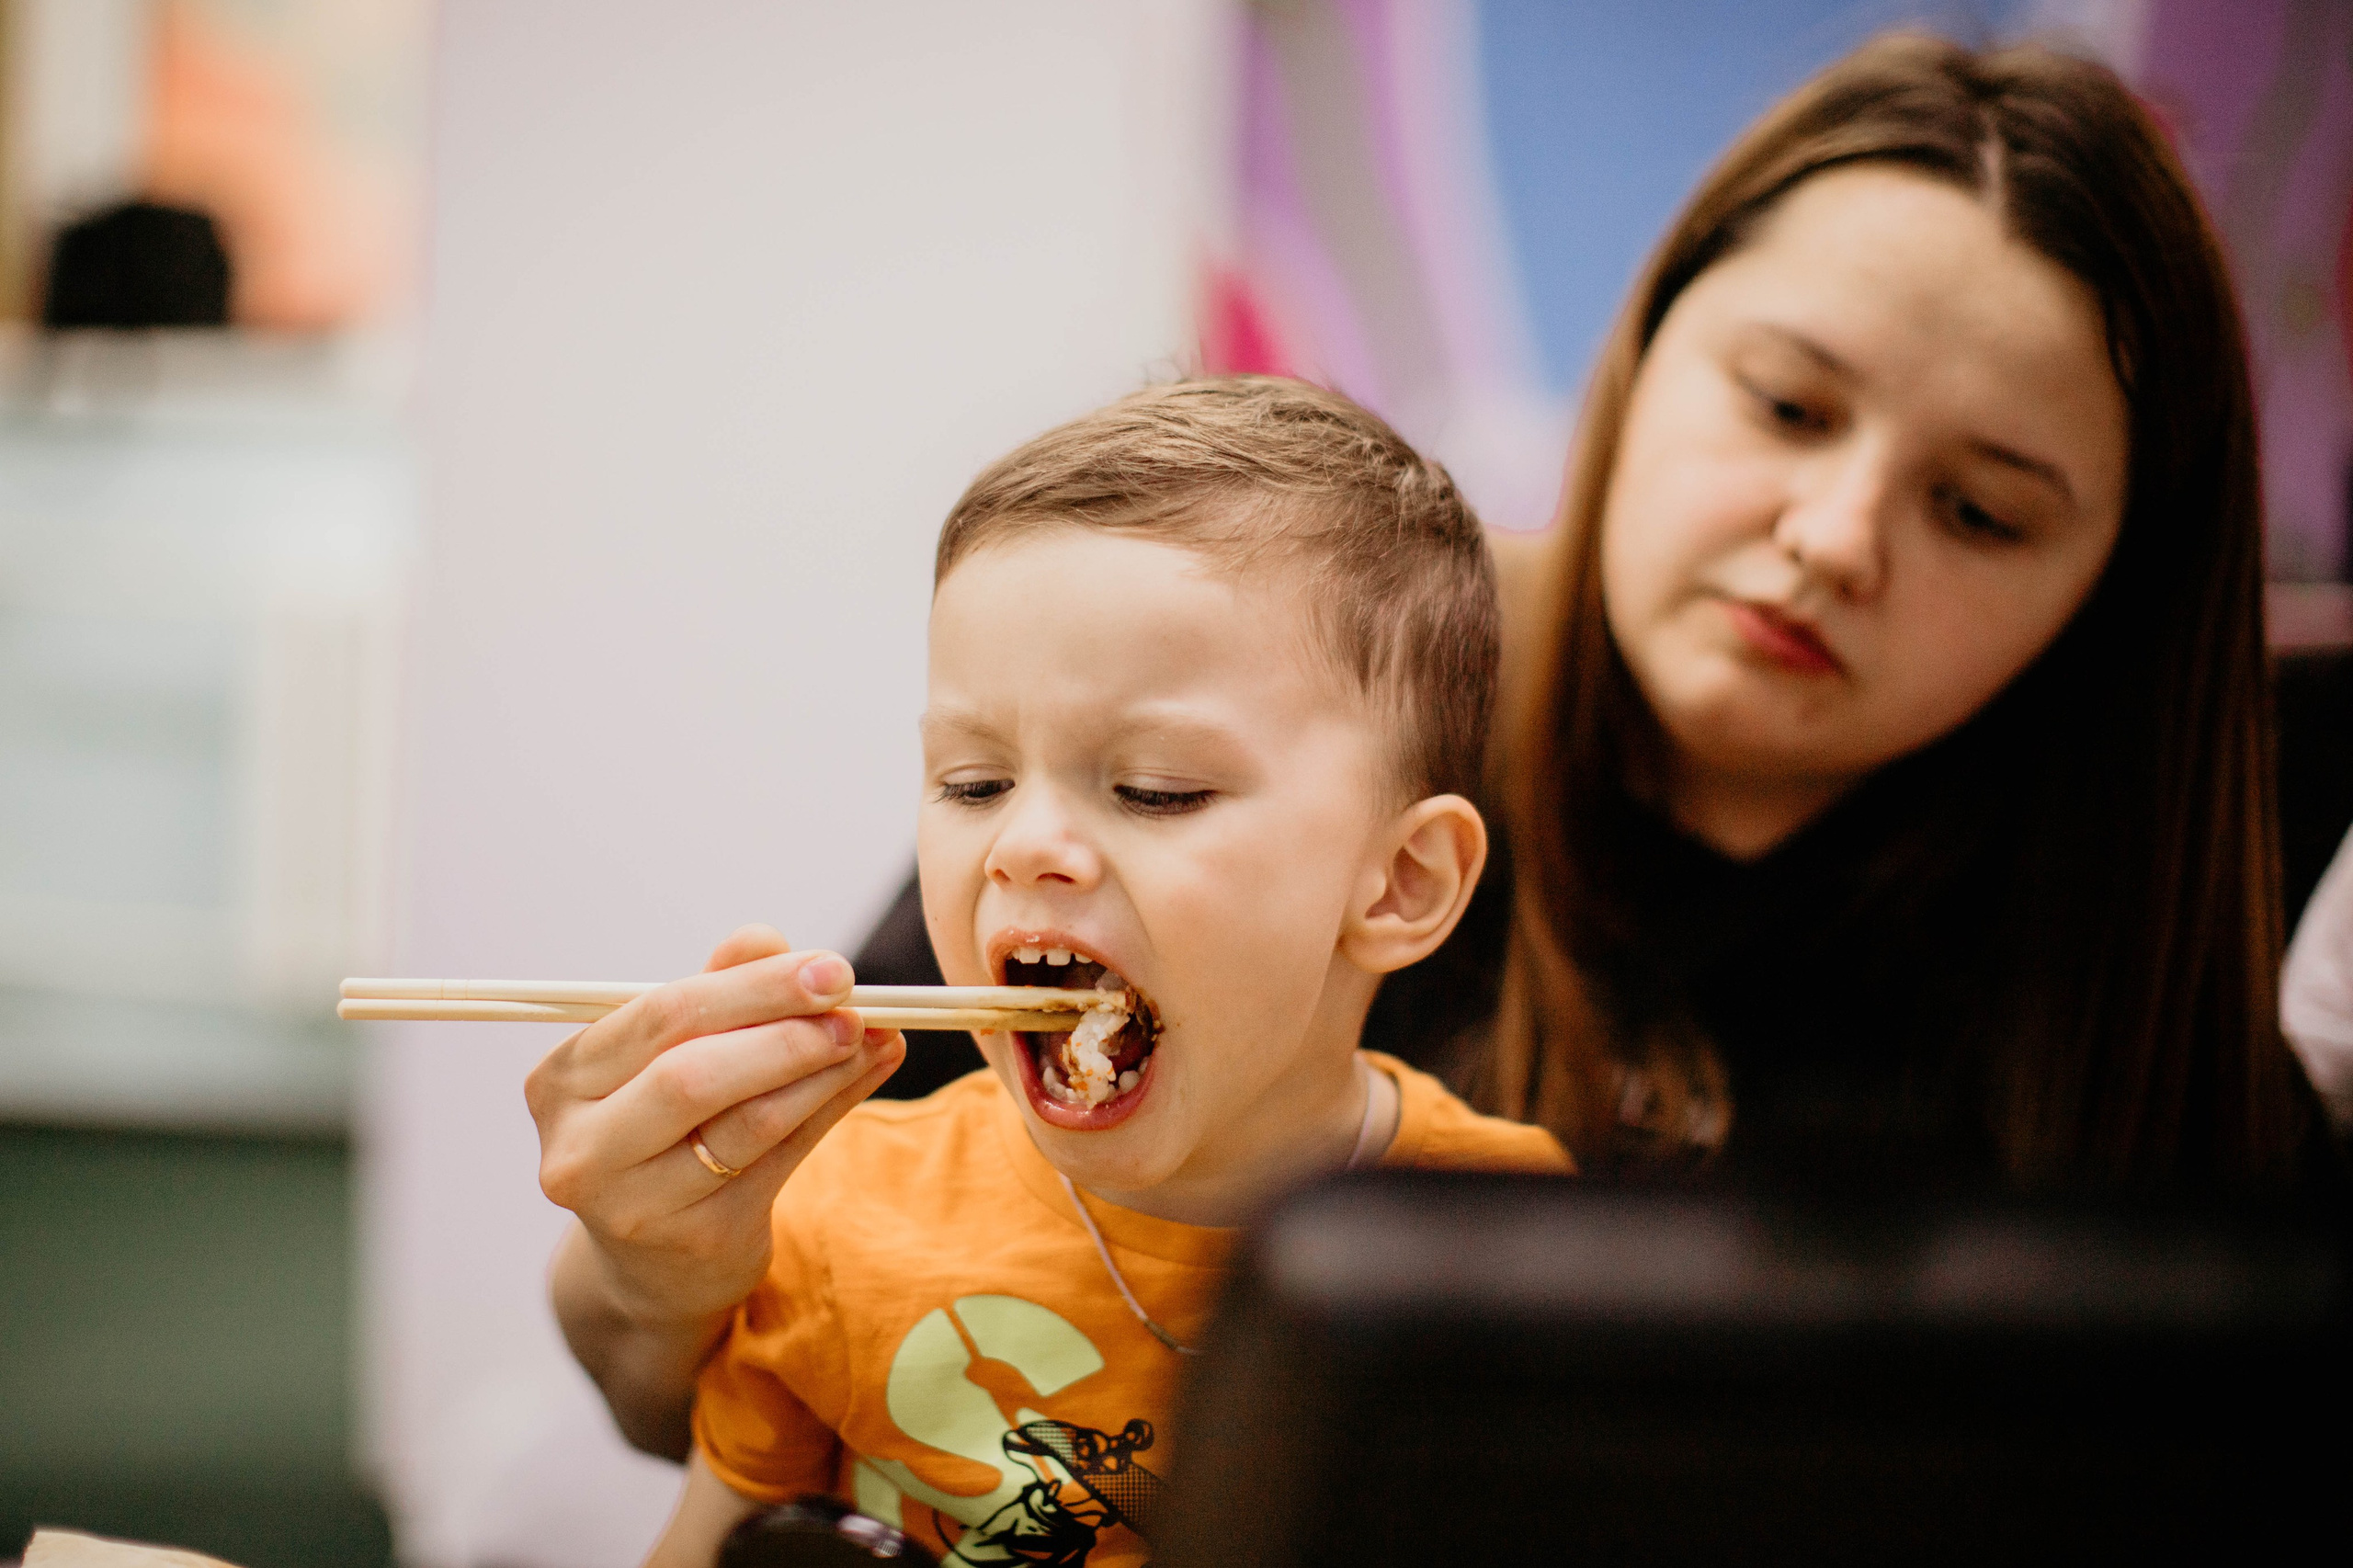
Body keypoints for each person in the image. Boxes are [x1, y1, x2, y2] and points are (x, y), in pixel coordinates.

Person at [544, 31, 2335, 1462]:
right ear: (1641, 357)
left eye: (1977, 507)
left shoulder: (2151, 966)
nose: (1831, 534)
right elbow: (743, 1392)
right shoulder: (1293, 695)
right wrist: (648, 1269)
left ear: (2110, 589)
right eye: (1782, 405)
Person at [539, 379, 1567, 1567]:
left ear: (1402, 881)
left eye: (1156, 788)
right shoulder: (840, 1216)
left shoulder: (1521, 1253)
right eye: (972, 783)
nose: (1023, 843)